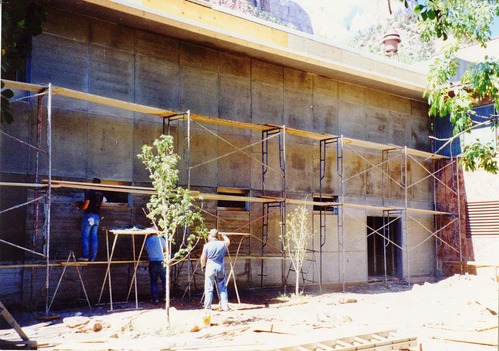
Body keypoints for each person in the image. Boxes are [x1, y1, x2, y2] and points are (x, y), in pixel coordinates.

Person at [200, 228, 230, 311]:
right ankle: (225, 306)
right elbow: (228, 241)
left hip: (210, 267)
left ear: (210, 236)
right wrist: (224, 235)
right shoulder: (222, 244)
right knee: (222, 287)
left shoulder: (206, 245)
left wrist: (203, 266)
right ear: (217, 236)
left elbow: (203, 258)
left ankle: (207, 306)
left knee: (209, 287)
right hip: (220, 267)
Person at [78, 178, 105, 262]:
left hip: (89, 215)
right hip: (97, 216)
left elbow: (85, 206)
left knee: (85, 236)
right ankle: (93, 258)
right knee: (94, 237)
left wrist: (80, 207)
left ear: (93, 183)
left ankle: (85, 257)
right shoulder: (101, 194)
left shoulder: (90, 192)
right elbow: (101, 204)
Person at [144, 232, 166, 303]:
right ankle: (166, 297)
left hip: (152, 262)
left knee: (154, 281)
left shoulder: (147, 240)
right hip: (161, 262)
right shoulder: (161, 239)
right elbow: (165, 250)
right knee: (164, 281)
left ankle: (155, 299)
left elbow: (146, 249)